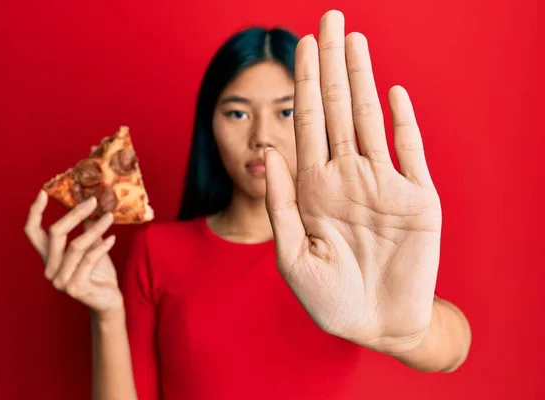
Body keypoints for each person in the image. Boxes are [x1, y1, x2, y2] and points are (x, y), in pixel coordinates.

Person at [24, 10, 471, 400]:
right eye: (237, 112)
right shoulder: (156, 251)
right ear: (210, 129)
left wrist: (406, 332)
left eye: (287, 112)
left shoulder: (343, 250)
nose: (262, 137)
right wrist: (107, 313)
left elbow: (453, 349)